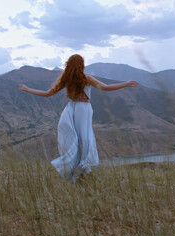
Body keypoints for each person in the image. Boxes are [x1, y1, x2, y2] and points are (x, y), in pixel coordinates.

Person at [18, 54, 137, 182]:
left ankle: (73, 167)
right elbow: (105, 87)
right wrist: (125, 83)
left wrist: (27, 89)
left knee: (72, 138)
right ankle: (82, 167)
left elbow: (47, 94)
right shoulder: (86, 79)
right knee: (84, 138)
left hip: (70, 108)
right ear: (81, 65)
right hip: (83, 109)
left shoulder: (66, 79)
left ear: (68, 65)